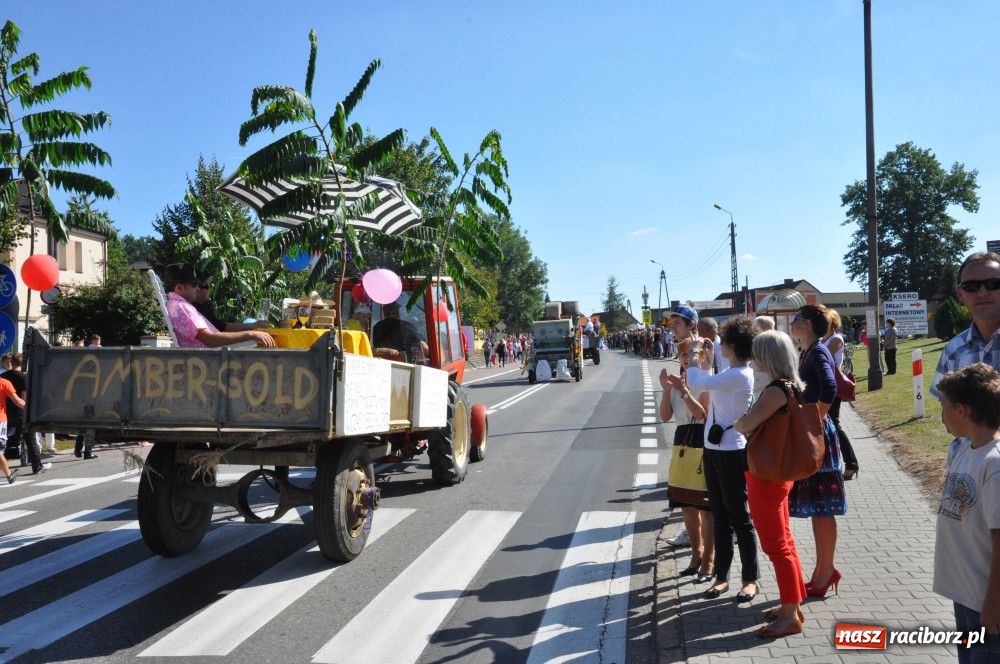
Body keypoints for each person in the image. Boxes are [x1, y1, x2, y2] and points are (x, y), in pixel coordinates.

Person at [674, 314, 760, 602]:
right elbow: (709, 380)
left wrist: (696, 352)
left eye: (724, 341)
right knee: (720, 516)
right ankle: (722, 576)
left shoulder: (739, 374)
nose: (719, 344)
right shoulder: (732, 371)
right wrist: (708, 360)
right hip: (715, 449)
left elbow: (697, 382)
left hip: (731, 451)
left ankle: (750, 579)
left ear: (733, 346)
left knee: (739, 517)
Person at [735, 331, 809, 638]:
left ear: (769, 357)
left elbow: (743, 424)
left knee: (776, 546)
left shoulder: (776, 390)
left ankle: (790, 613)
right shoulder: (788, 386)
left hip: (767, 476)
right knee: (785, 542)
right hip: (775, 474)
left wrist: (743, 418)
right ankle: (793, 603)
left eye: (757, 353)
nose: (753, 359)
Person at [933, 363, 1000, 663]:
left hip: (986, 601)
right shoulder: (965, 450)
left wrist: (994, 601)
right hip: (966, 594)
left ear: (962, 411)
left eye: (944, 407)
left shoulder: (993, 465)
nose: (941, 416)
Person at [788, 303, 846, 598]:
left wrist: (818, 417)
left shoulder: (819, 351)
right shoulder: (810, 351)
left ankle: (826, 571)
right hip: (814, 434)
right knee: (817, 509)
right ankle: (823, 571)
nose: (793, 322)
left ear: (807, 324)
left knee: (823, 509)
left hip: (819, 436)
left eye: (796, 318)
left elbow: (829, 386)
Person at [659, 337, 714, 582]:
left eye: (689, 354)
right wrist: (667, 390)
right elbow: (664, 416)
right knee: (687, 506)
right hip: (682, 442)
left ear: (702, 356)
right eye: (681, 355)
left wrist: (684, 392)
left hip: (703, 443)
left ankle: (709, 561)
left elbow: (702, 414)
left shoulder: (706, 380)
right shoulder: (676, 381)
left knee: (705, 508)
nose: (685, 358)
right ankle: (696, 554)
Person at [931, 251, 1000, 398]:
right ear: (960, 295)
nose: (982, 292)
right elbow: (947, 409)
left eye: (994, 284)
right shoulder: (953, 351)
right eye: (971, 286)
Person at [163, 264, 275, 349]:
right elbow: (210, 340)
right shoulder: (182, 306)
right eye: (194, 285)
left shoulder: (176, 304)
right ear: (179, 287)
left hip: (212, 355)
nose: (198, 288)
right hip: (213, 359)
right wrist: (251, 334)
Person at [664, 303, 701, 548]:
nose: (673, 327)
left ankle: (706, 540)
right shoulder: (683, 352)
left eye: (678, 323)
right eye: (673, 323)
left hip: (701, 430)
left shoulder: (702, 350)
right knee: (688, 494)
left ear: (691, 325)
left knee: (701, 495)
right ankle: (691, 532)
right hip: (685, 428)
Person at [822, 309, 859, 480]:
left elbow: (823, 357)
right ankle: (835, 462)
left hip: (833, 386)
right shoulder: (823, 339)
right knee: (829, 423)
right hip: (823, 385)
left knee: (834, 424)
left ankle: (851, 463)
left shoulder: (835, 339)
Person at [3, 354, 50, 474]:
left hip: (5, 413)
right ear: (23, 363)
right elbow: (23, 399)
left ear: (11, 362)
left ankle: (9, 462)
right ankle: (37, 466)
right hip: (20, 413)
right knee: (30, 439)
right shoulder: (24, 377)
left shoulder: (3, 376)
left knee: (5, 440)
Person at [193, 277, 269, 333]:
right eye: (207, 286)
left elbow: (220, 326)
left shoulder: (204, 306)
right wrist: (251, 329)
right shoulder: (195, 309)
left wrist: (252, 326)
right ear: (198, 289)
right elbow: (220, 327)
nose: (209, 289)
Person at [0, 371, 26, 484]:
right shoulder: (4, 383)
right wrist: (32, 408)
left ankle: (9, 474)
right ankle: (9, 475)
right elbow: (18, 402)